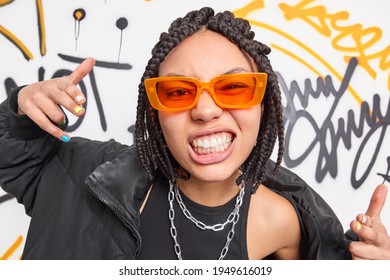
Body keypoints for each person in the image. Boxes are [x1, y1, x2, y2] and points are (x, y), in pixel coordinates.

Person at [0, 7, 389, 260]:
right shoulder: (79, 172)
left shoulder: (282, 220)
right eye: (178, 92)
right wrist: (19, 110)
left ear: (263, 103)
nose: (204, 111)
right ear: (155, 113)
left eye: (234, 88)